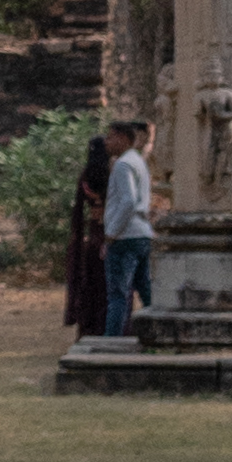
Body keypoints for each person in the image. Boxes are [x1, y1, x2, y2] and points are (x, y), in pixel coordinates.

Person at [100, 113, 156, 334]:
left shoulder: (123, 165)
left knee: (118, 294)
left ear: (123, 138)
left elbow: (128, 201)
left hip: (125, 235)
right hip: (141, 233)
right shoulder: (138, 161)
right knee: (145, 290)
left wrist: (111, 233)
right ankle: (158, 333)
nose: (106, 142)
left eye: (110, 137)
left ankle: (111, 339)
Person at [63, 135, 112, 341]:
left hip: (91, 235)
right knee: (106, 287)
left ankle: (87, 327)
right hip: (108, 232)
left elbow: (78, 211)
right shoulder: (112, 174)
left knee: (88, 285)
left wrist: (77, 237)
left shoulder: (86, 177)